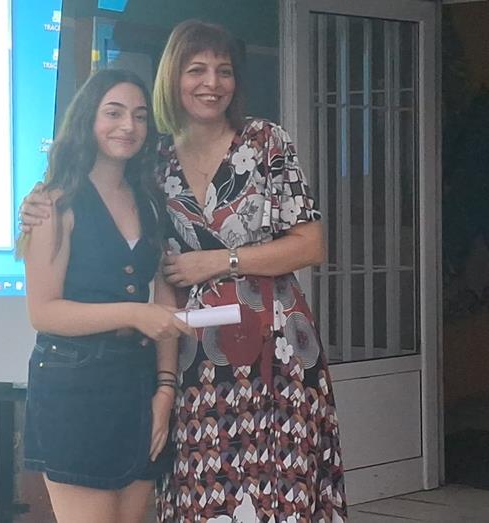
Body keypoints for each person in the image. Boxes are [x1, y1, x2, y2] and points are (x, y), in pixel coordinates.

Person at [21, 20, 347, 523]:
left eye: (224, 71)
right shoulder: (154, 158)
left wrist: (219, 260)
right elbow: (96, 194)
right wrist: (37, 201)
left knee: (280, 492)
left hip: (274, 349)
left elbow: (311, 244)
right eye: (196, 69)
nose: (211, 83)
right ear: (173, 78)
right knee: (204, 490)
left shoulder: (265, 141)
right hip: (193, 354)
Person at [18, 68, 193, 523]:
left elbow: (165, 300)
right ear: (88, 119)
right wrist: (134, 313)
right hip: (74, 388)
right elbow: (43, 313)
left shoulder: (149, 198)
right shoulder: (54, 202)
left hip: (137, 383)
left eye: (139, 115)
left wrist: (165, 389)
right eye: (113, 113)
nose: (128, 126)